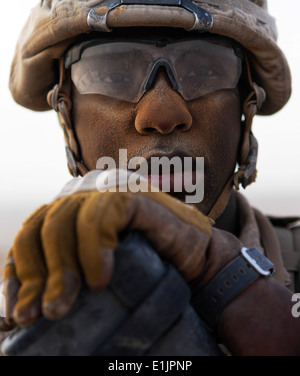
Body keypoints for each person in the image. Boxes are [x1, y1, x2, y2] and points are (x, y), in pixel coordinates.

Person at [0, 0, 300, 356]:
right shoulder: (21, 307)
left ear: (246, 105)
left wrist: (226, 272)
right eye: (113, 76)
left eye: (203, 71)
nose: (161, 114)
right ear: (67, 114)